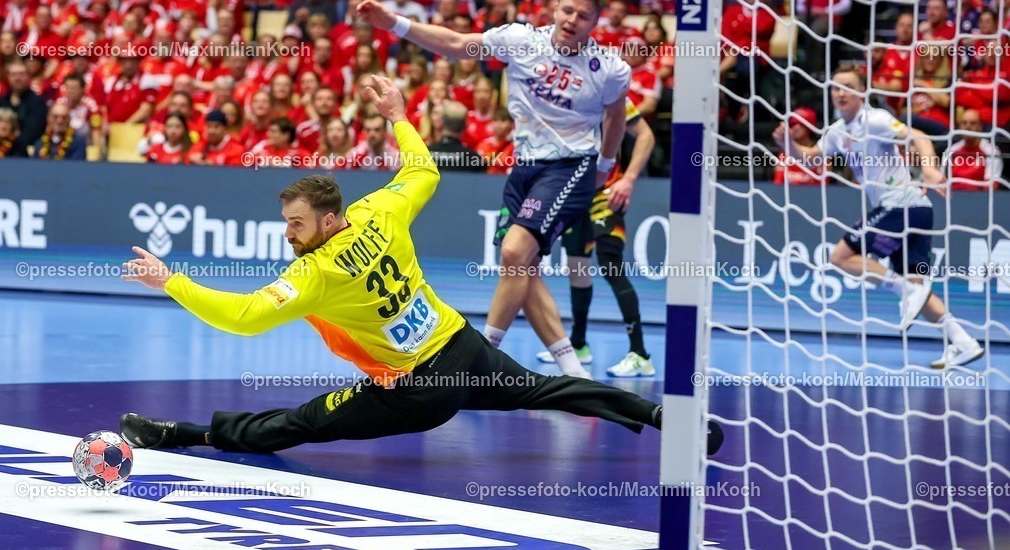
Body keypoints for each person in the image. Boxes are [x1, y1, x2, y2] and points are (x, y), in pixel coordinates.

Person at [119, 76, 725, 456]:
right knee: (552, 387)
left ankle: (183, 436)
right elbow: (424, 170)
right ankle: (661, 415)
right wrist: (400, 115)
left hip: (416, 389)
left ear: (328, 222)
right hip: (459, 347)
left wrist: (171, 280)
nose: (288, 235)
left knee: (296, 423)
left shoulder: (315, 273)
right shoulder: (378, 209)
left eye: (296, 224)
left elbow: (245, 318)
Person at [356, 0, 632, 380]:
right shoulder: (522, 40)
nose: (572, 19)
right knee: (524, 270)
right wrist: (394, 22)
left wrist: (605, 169)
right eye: (567, 10)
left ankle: (478, 361)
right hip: (524, 169)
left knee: (514, 254)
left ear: (595, 23)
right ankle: (574, 372)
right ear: (555, 8)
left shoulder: (607, 68)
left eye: (583, 15)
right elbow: (454, 43)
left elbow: (616, 115)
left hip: (570, 167)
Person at [774, 66, 984, 369]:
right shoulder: (836, 132)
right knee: (918, 288)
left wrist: (929, 167)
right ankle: (963, 342)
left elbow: (920, 136)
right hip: (916, 212)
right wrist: (788, 145)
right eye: (835, 87)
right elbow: (808, 158)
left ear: (862, 92)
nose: (840, 93)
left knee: (841, 257)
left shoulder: (876, 119)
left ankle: (904, 289)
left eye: (847, 87)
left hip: (902, 205)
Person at [535, 99, 657, 376]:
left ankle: (640, 354)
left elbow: (646, 136)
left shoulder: (609, 94)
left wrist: (629, 179)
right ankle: (578, 345)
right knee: (577, 269)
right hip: (574, 195)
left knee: (610, 264)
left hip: (607, 193)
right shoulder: (560, 96)